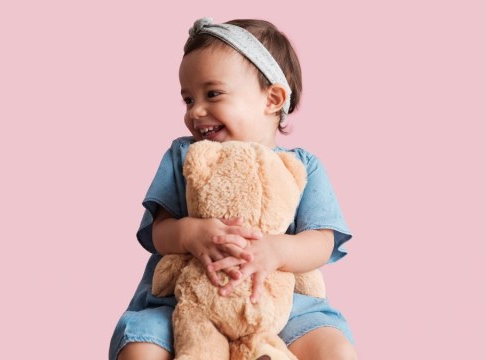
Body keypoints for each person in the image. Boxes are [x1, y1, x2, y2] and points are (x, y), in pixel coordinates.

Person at [110, 17, 357, 360]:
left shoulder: (302, 167)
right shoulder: (183, 156)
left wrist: (278, 251)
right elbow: (157, 232)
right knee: (141, 349)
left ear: (272, 98)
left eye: (212, 94)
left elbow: (322, 240)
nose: (196, 111)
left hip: (277, 303)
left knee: (335, 349)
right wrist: (188, 233)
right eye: (187, 99)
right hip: (184, 301)